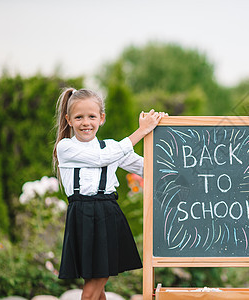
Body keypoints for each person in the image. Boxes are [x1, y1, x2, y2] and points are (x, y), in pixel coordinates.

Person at [53, 88, 167, 300]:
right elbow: (100, 158)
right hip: (81, 216)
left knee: (95, 287)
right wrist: (140, 132)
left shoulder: (113, 148)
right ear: (68, 120)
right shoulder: (66, 147)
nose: (85, 122)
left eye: (92, 116)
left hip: (107, 214)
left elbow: (148, 168)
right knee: (93, 289)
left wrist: (164, 132)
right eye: (79, 117)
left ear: (101, 118)